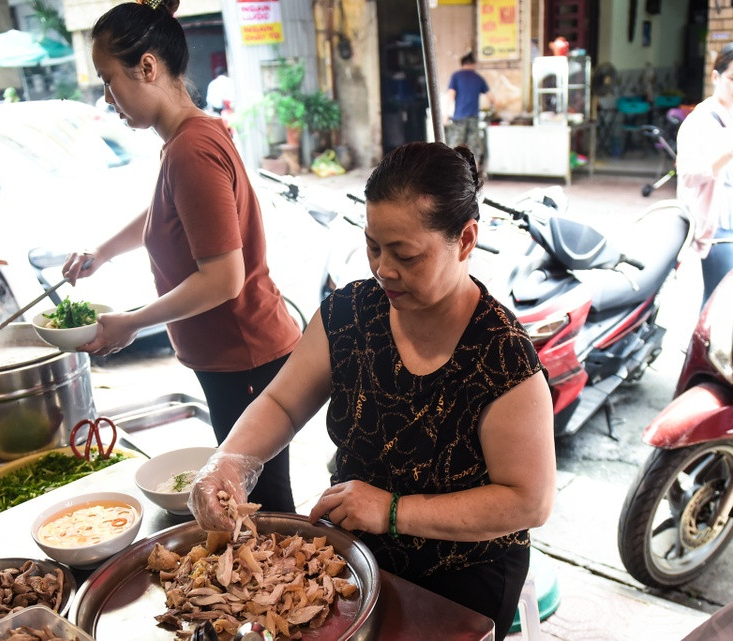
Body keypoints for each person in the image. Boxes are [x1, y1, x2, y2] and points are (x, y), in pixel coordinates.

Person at [188, 142, 556, 641]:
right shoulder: (350, 313)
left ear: (465, 240)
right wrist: (230, 461)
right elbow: (281, 402)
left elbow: (528, 501)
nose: (383, 268)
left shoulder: (502, 360)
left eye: (405, 254)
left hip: (459, 572)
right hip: (354, 549)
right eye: (373, 246)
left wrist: (391, 510)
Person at [61, 0, 302, 512]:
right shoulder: (187, 139)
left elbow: (224, 279)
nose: (109, 98)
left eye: (109, 80)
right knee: (251, 496)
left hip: (247, 357)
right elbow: (168, 215)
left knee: (262, 504)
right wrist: (102, 251)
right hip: (236, 356)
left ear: (147, 67)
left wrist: (132, 322)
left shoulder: (191, 149)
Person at [676, 42, 733, 307]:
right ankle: (699, 348)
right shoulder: (699, 121)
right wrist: (725, 155)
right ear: (715, 76)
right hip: (718, 227)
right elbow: (686, 174)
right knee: (716, 302)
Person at [444, 52, 495, 165]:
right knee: (474, 148)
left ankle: (453, 173)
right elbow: (491, 98)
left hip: (459, 117)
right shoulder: (478, 78)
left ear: (462, 64)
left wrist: (446, 114)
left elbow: (451, 94)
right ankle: (474, 174)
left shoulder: (456, 76)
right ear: (473, 64)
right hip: (474, 118)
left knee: (455, 147)